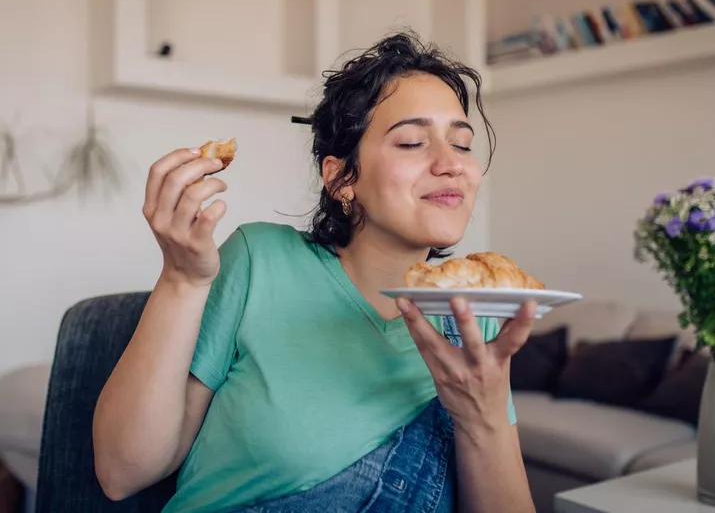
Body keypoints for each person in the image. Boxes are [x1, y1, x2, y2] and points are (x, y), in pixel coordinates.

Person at [92, 32, 537, 513]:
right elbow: (122, 472)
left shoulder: (476, 312)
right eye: (411, 141)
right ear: (342, 178)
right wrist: (182, 279)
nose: (451, 164)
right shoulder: (259, 260)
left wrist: (483, 416)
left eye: (462, 144)